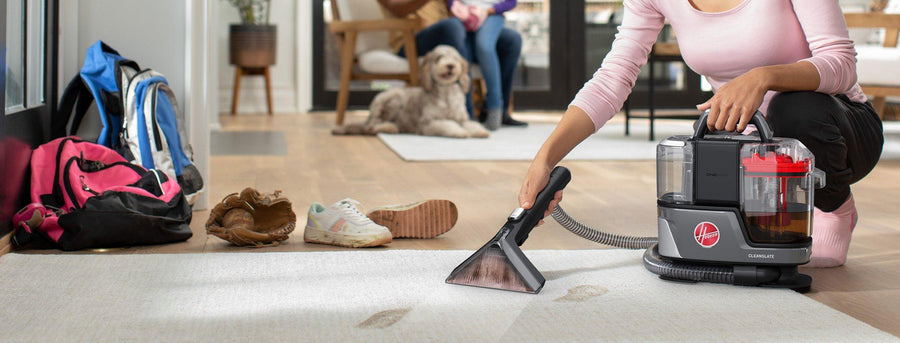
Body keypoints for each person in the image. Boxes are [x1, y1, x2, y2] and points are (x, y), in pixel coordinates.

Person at [517, 0, 883, 268]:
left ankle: (834, 207)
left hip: (838, 131)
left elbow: (841, 64)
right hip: (752, 149)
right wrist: (545, 157)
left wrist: (764, 76)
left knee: (794, 107)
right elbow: (612, 80)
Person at [377, 0, 528, 127]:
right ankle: (466, 113)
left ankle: (498, 111)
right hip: (412, 39)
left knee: (511, 40)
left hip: (454, 33)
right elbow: (397, 9)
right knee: (452, 26)